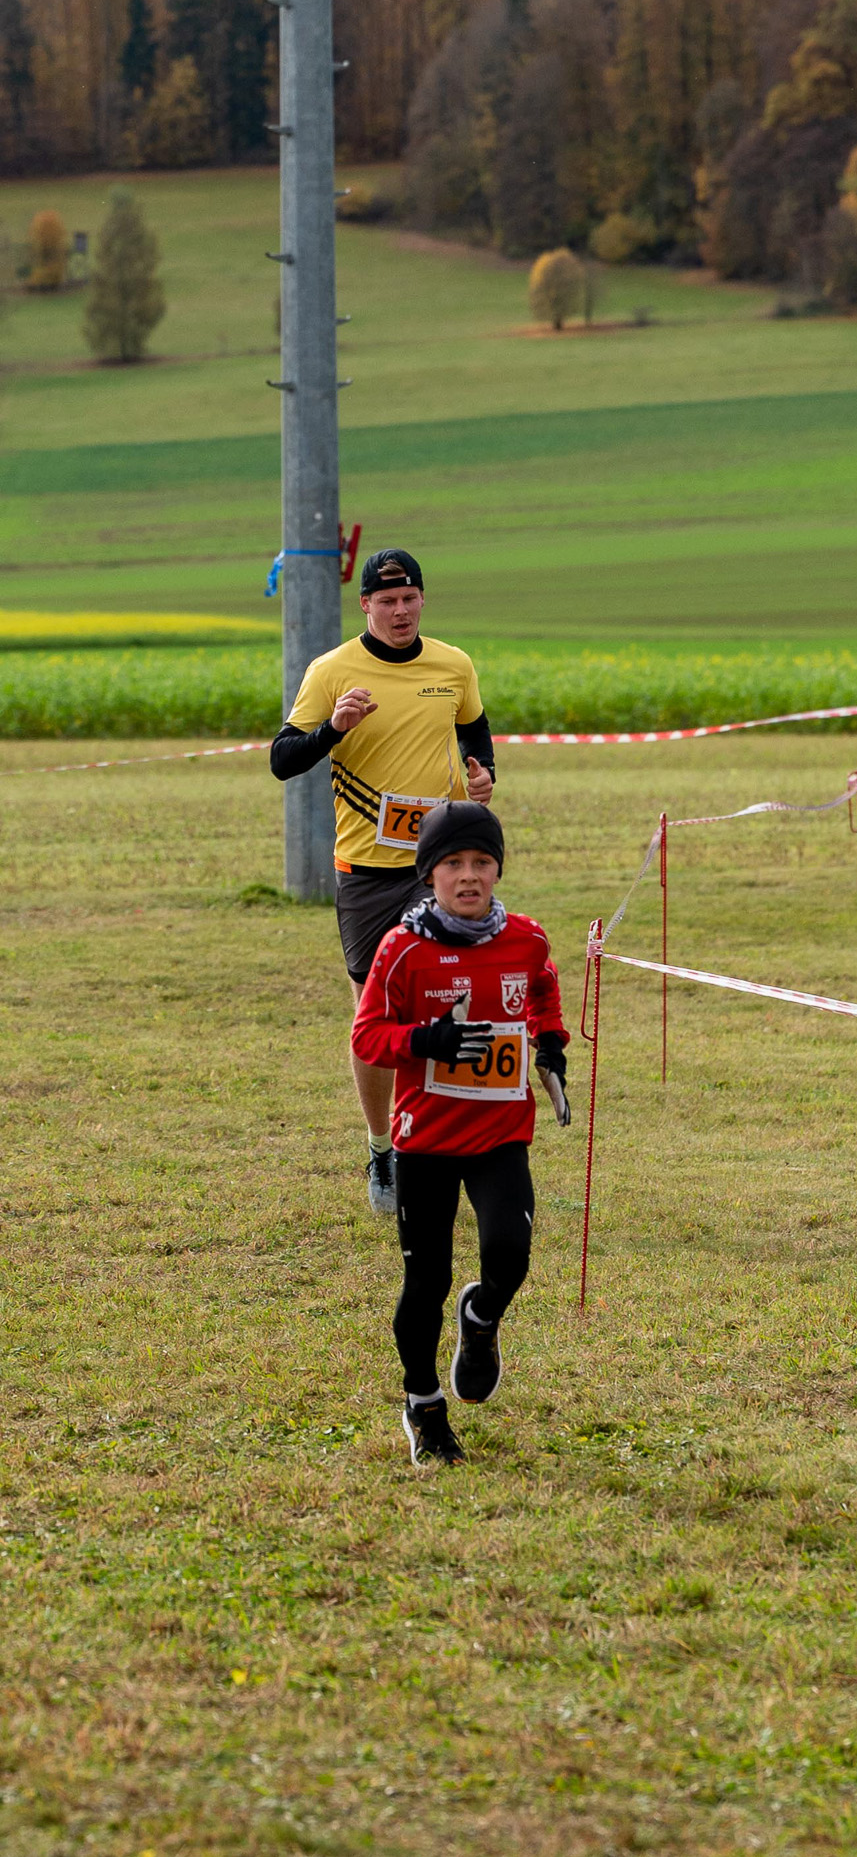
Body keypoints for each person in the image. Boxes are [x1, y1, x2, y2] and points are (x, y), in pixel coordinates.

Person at [269, 549, 496, 1216]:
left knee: (454, 999)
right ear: (365, 605)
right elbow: (283, 758)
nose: (400, 612)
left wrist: (483, 771)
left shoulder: (452, 665)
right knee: (375, 1018)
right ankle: (381, 1148)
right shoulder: (331, 670)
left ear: (423, 599)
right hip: (368, 870)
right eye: (387, 601)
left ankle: (445, 1143)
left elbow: (475, 731)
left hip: (441, 864)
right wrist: (333, 729)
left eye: (410, 599)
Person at [350, 801, 570, 1467]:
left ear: (498, 869)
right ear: (429, 874)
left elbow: (542, 990)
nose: (468, 875)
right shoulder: (402, 949)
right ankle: (424, 1407)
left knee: (510, 1254)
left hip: (501, 1132)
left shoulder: (526, 939)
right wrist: (426, 1040)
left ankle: (482, 1319)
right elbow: (367, 1037)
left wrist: (551, 1044)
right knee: (427, 1280)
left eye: (481, 862)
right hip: (426, 1139)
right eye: (452, 863)